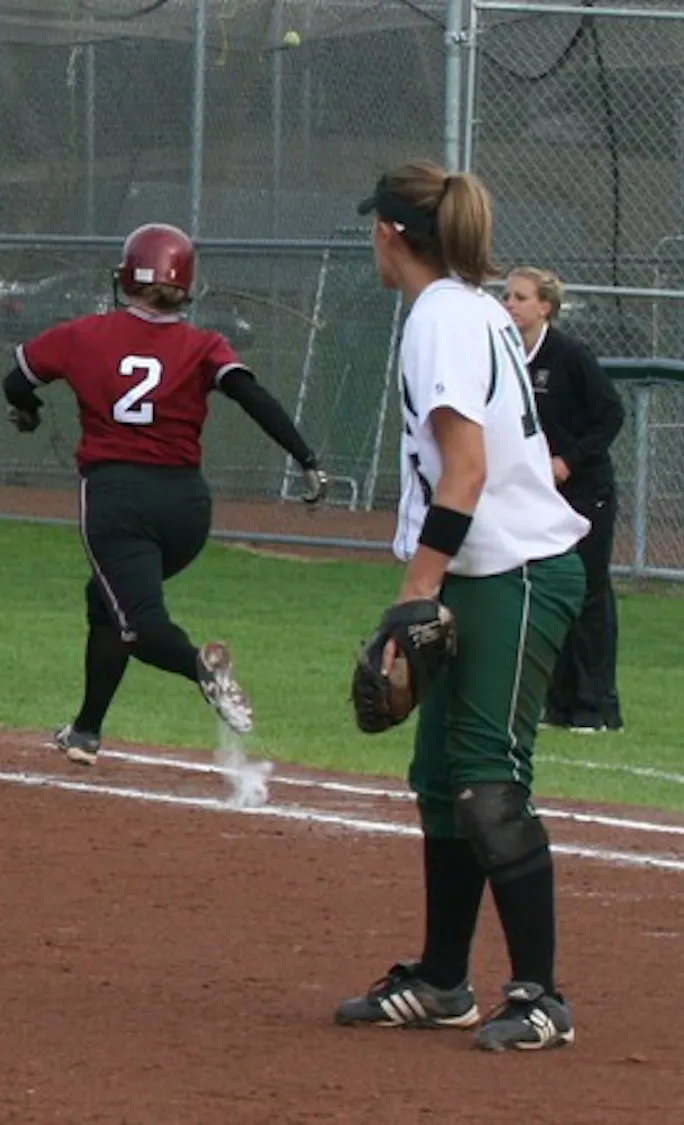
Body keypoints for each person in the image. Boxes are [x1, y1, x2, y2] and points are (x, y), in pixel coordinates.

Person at [333, 162, 589, 1052]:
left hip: (516, 570)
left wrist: (415, 590)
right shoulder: (470, 307)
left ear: (391, 234)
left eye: (374, 227)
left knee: (486, 783)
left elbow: (467, 471)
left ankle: (542, 997)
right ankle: (444, 980)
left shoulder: (442, 318)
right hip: (481, 567)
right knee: (442, 781)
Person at [2, 222, 328, 767]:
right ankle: (85, 730)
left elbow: (16, 381)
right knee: (105, 601)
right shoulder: (204, 345)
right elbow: (250, 395)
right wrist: (306, 459)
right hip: (187, 509)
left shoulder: (84, 334)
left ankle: (203, 669)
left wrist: (28, 411)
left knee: (140, 624)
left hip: (118, 500)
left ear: (128, 278)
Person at [504, 267, 625, 733]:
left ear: (545, 307)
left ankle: (597, 707)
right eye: (507, 296)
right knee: (549, 590)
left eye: (520, 297)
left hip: (585, 490)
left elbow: (611, 414)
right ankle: (558, 701)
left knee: (590, 592)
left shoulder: (570, 355)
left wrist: (568, 461)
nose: (510, 305)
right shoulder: (507, 354)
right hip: (538, 495)